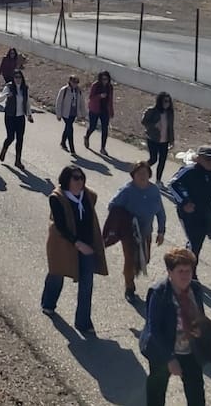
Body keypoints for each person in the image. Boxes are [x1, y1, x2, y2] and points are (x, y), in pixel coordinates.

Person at [42, 165, 108, 334]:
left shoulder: (88, 196)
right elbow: (61, 226)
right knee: (57, 274)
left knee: (87, 283)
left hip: (86, 246)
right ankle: (48, 304)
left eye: (81, 178)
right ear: (66, 180)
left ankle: (83, 322)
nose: (80, 181)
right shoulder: (57, 198)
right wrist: (77, 243)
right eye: (76, 178)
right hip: (62, 244)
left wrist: (89, 244)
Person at [140, 248, 208, 406]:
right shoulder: (159, 293)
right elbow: (154, 329)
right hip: (162, 350)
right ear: (169, 272)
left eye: (188, 271)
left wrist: (199, 329)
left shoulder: (196, 289)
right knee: (157, 392)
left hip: (189, 350)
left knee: (196, 393)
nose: (185, 275)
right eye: (180, 271)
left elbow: (201, 316)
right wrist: (170, 359)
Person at [169, 146, 211, 274]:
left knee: (197, 242)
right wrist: (184, 202)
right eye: (207, 159)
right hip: (188, 212)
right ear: (198, 159)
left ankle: (183, 263)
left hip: (206, 213)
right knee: (194, 241)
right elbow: (173, 184)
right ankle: (190, 273)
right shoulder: (189, 171)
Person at [109, 161, 167, 300]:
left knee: (144, 260)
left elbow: (160, 212)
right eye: (139, 173)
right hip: (129, 233)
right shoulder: (127, 190)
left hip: (146, 232)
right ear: (133, 175)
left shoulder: (154, 190)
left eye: (145, 173)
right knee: (130, 259)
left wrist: (161, 231)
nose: (142, 176)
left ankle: (132, 271)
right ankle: (129, 287)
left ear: (149, 175)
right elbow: (112, 206)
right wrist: (124, 219)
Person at [0, 69, 34, 169]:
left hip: (20, 117)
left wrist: (29, 115)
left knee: (20, 139)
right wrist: (6, 95)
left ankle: (18, 161)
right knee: (10, 137)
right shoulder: (9, 87)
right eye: (16, 77)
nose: (18, 79)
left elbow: (27, 103)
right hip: (10, 116)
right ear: (13, 78)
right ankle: (4, 149)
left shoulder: (24, 88)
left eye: (19, 77)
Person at [141, 92, 175, 185]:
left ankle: (158, 180)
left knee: (162, 161)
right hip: (153, 139)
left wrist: (172, 140)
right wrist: (154, 125)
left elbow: (170, 127)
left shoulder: (170, 113)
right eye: (165, 101)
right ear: (160, 101)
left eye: (169, 101)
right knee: (153, 159)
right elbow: (144, 122)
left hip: (164, 141)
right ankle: (140, 169)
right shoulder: (152, 110)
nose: (167, 103)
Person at [85, 71, 114, 155]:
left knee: (105, 129)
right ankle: (87, 137)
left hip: (105, 110)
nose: (105, 81)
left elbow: (110, 100)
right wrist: (100, 96)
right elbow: (91, 97)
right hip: (95, 109)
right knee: (93, 126)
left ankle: (102, 148)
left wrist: (111, 111)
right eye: (103, 79)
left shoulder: (110, 87)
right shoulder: (95, 85)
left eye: (106, 79)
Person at [55, 75, 83, 155]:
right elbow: (58, 102)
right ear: (70, 81)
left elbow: (81, 102)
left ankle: (63, 142)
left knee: (67, 128)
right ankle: (72, 149)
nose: (75, 84)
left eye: (77, 82)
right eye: (74, 82)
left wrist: (81, 114)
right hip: (65, 113)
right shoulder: (64, 90)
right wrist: (58, 114)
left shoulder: (78, 91)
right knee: (70, 128)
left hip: (73, 113)